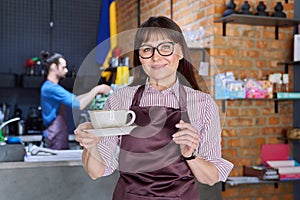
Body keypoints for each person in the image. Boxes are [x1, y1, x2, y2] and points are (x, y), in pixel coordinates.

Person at [75, 16, 233, 199]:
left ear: (180, 52)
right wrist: (91, 145)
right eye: (147, 49)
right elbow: (96, 171)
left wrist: (191, 156)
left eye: (166, 47)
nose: (156, 57)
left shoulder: (203, 104)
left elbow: (210, 178)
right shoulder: (120, 99)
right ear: (140, 56)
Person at [41, 52, 111, 150]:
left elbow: (75, 99)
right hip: (55, 133)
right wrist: (97, 89)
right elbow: (79, 104)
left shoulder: (51, 87)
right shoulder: (51, 88)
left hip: (58, 132)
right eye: (63, 67)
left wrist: (94, 92)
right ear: (53, 67)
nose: (66, 70)